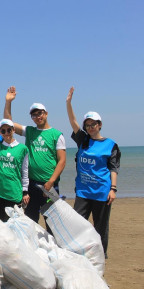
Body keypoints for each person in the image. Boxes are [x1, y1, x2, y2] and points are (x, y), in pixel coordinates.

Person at [66, 86, 120, 258]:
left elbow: (113, 167)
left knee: (100, 227)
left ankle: (101, 256)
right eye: (87, 125)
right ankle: (78, 253)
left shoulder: (110, 144)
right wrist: (68, 103)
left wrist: (113, 189)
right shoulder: (83, 141)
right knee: (77, 224)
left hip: (102, 193)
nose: (90, 127)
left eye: (93, 124)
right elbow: (73, 121)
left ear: (100, 124)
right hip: (83, 192)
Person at [4, 86, 66, 228]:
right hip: (31, 184)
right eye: (34, 115)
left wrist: (51, 181)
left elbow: (62, 161)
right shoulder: (30, 131)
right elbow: (8, 122)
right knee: (31, 220)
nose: (37, 117)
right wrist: (8, 102)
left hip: (50, 185)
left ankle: (55, 248)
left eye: (40, 113)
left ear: (46, 113)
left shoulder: (56, 134)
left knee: (52, 222)